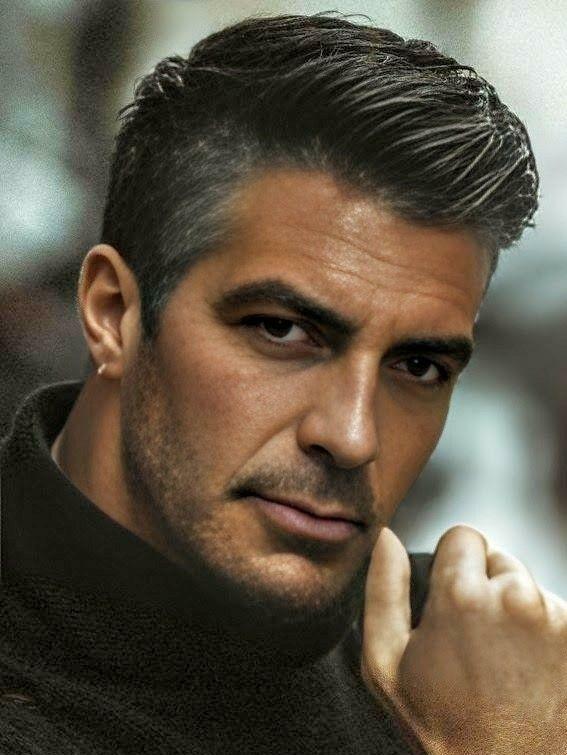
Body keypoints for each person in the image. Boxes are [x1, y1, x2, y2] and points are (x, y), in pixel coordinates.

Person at [1, 13, 565, 755]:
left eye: (417, 366)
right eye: (281, 330)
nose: (353, 436)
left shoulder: (482, 661)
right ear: (113, 314)